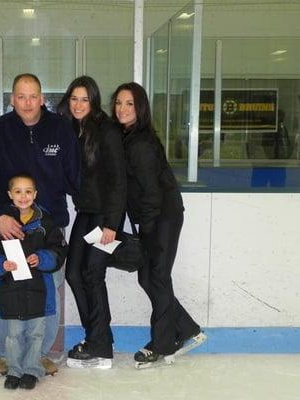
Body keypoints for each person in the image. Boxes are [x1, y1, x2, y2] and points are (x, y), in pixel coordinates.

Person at [0, 73, 80, 375]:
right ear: (11, 99)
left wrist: (102, 212)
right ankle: (7, 355)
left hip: (48, 227)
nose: (28, 102)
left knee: (46, 291)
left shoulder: (60, 130)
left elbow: (77, 179)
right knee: (7, 290)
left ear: (42, 98)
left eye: (33, 96)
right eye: (21, 96)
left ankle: (40, 353)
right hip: (8, 227)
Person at [111, 82, 206, 366]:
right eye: (118, 103)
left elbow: (151, 192)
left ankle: (163, 344)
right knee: (146, 276)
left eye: (129, 104)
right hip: (152, 217)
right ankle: (187, 328)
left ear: (140, 108)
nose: (122, 109)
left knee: (157, 276)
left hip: (161, 217)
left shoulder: (140, 144)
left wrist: (148, 229)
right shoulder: (128, 137)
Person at [56, 76, 126, 369]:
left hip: (105, 217)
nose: (78, 104)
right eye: (74, 98)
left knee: (93, 275)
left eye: (85, 99)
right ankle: (98, 337)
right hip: (86, 213)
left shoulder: (107, 131)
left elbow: (118, 180)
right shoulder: (72, 130)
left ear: (94, 102)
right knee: (74, 273)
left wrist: (112, 224)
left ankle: (101, 348)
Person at [0, 174, 67, 390]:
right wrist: (1, 264)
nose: (23, 196)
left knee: (36, 333)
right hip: (11, 291)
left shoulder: (47, 223)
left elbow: (58, 250)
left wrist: (42, 258)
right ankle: (15, 370)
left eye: (28, 191)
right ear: (10, 195)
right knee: (14, 334)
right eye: (18, 191)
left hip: (38, 290)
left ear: (35, 194)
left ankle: (31, 370)